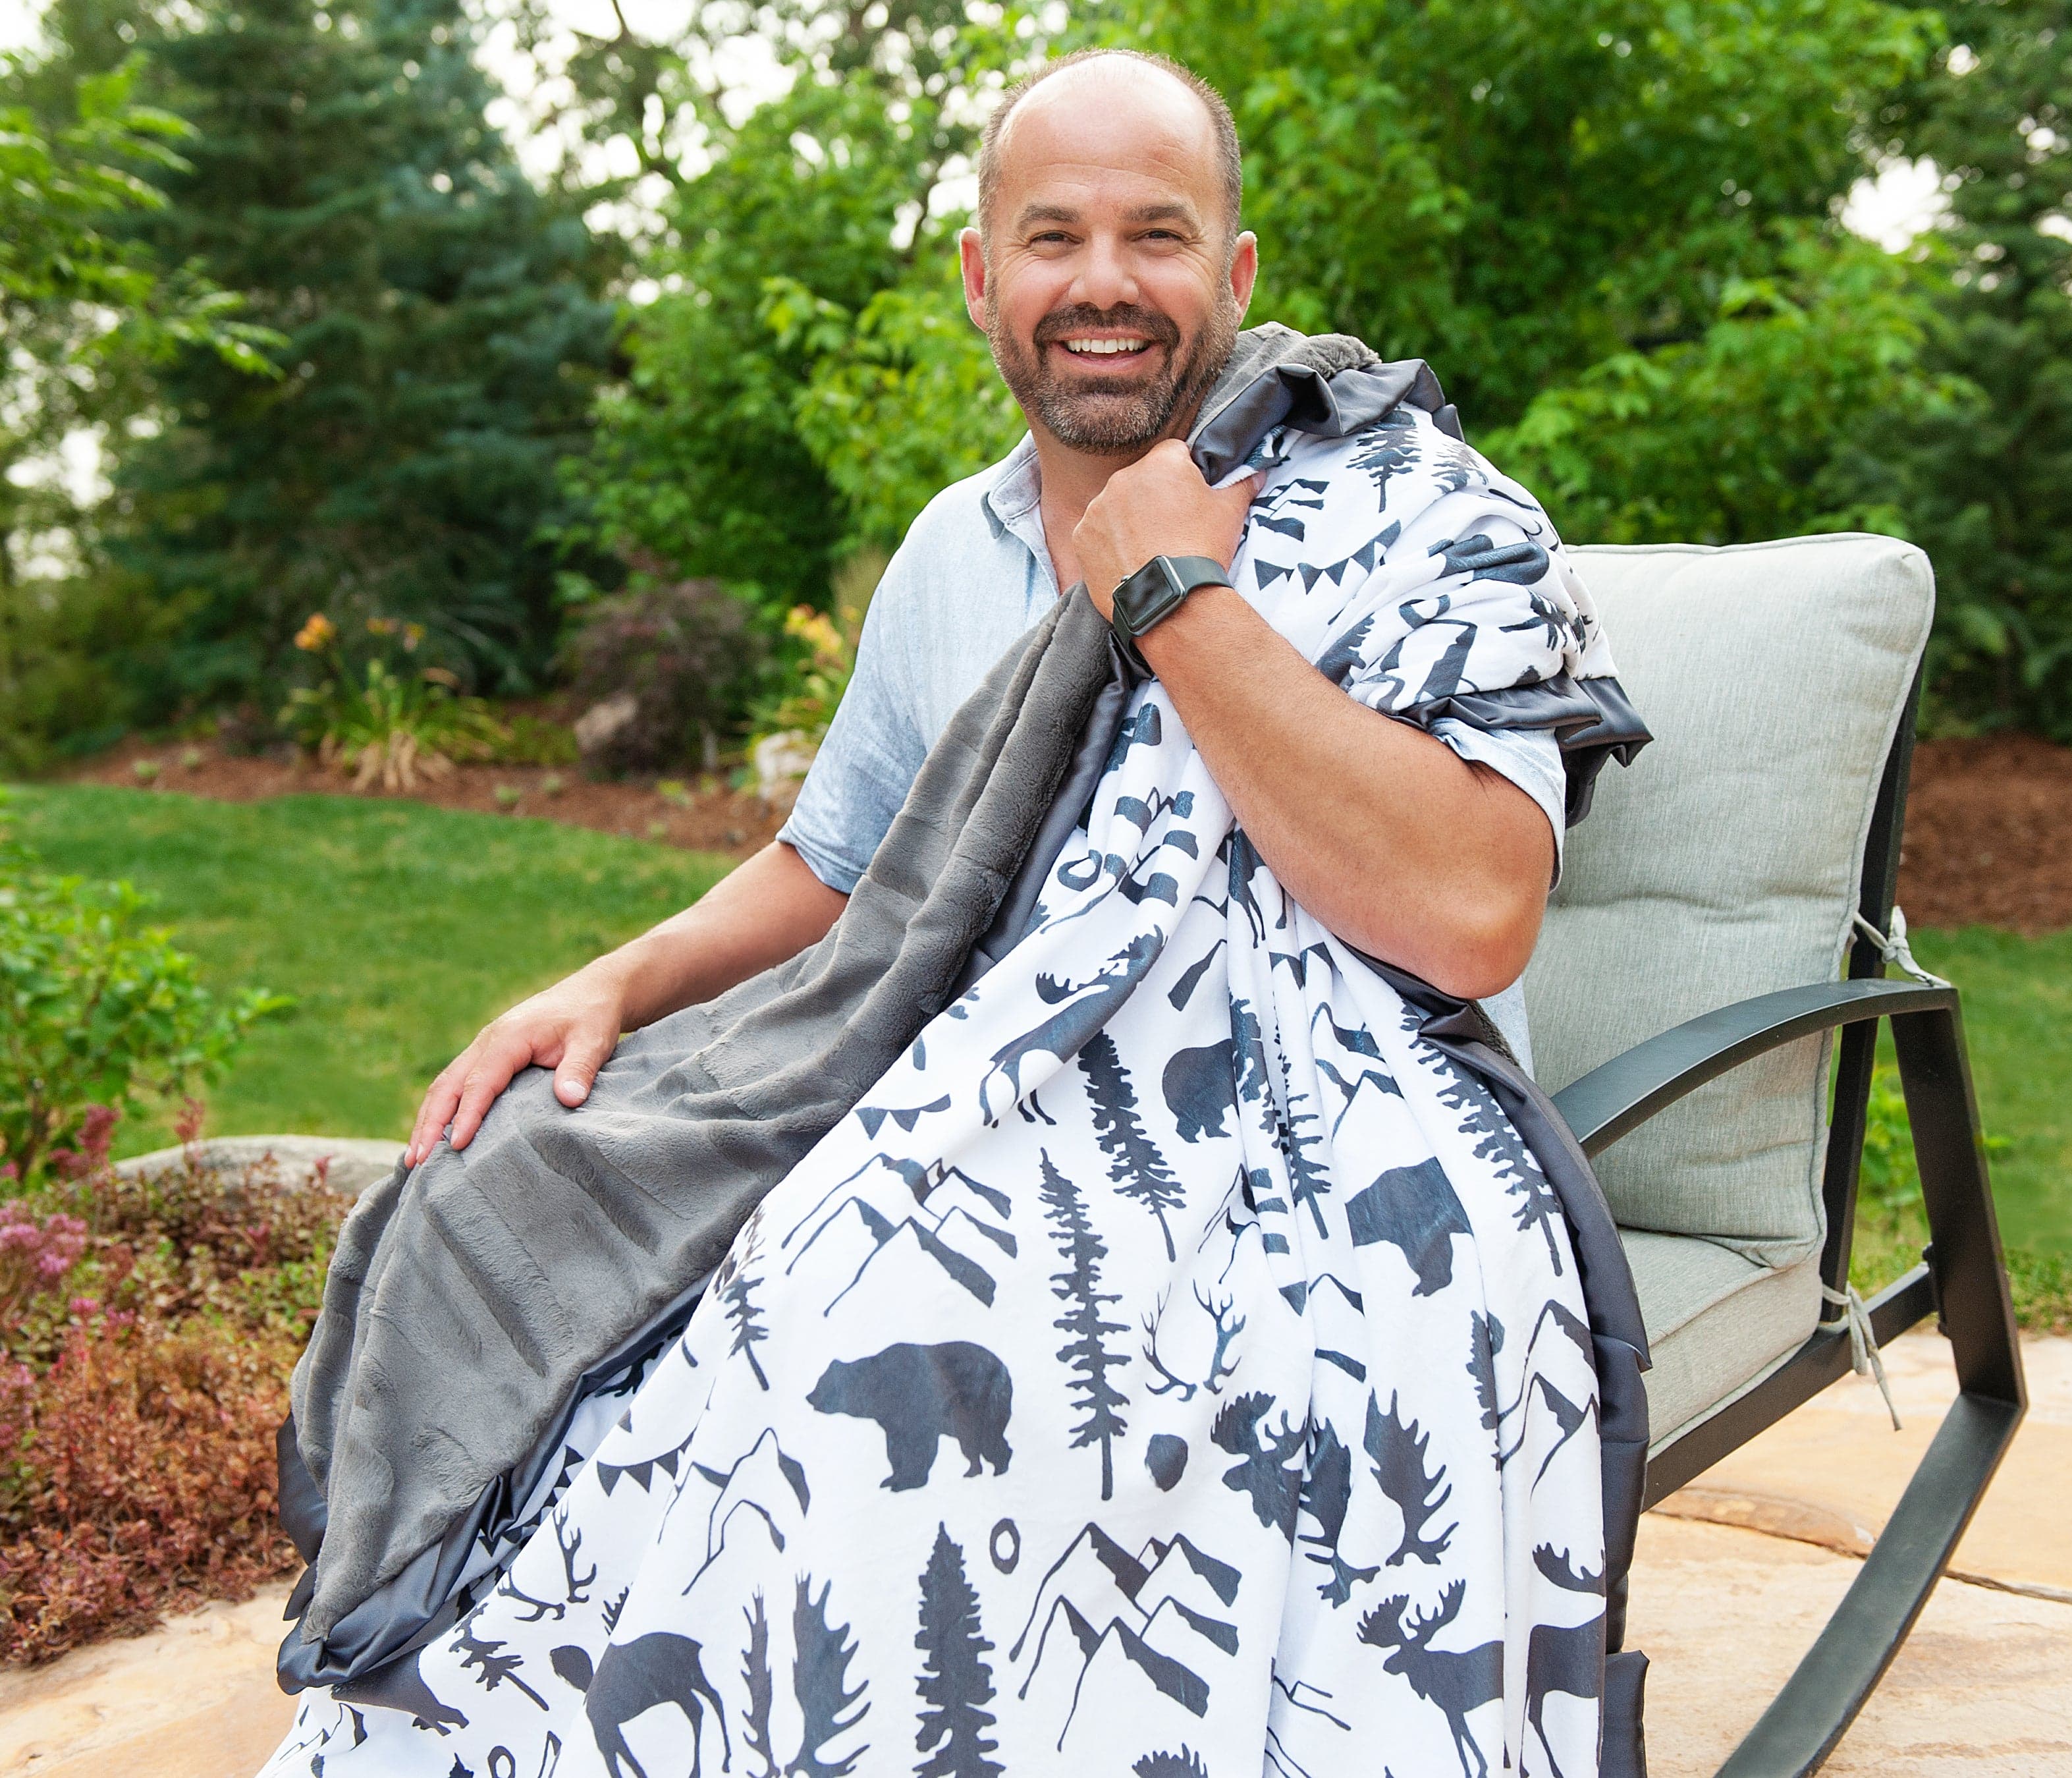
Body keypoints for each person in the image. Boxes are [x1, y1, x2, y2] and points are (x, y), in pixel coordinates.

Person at [269, 47, 1639, 1778]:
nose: (1104, 284)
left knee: (866, 1349)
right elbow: (845, 866)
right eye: (1053, 236)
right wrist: (611, 981)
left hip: (1355, 1171)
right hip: (989, 1112)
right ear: (984, 279)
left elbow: (1469, 913)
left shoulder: (1403, 508)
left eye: (1158, 233)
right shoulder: (952, 550)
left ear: (1237, 274)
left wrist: (1171, 591)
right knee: (514, 1210)